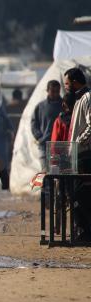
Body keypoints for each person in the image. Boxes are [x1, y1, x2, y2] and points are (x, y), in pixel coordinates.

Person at [65, 67, 91, 240]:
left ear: (75, 82)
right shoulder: (79, 98)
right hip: (76, 155)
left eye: (67, 83)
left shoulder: (88, 98)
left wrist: (79, 141)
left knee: (81, 195)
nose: (66, 87)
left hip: (84, 155)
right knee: (73, 194)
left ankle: (86, 231)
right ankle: (81, 230)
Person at [31, 80, 63, 169]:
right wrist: (39, 137)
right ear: (47, 91)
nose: (55, 94)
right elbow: (34, 123)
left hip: (60, 146)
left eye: (57, 91)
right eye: (53, 91)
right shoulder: (40, 106)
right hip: (44, 145)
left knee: (58, 174)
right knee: (45, 173)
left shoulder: (64, 105)